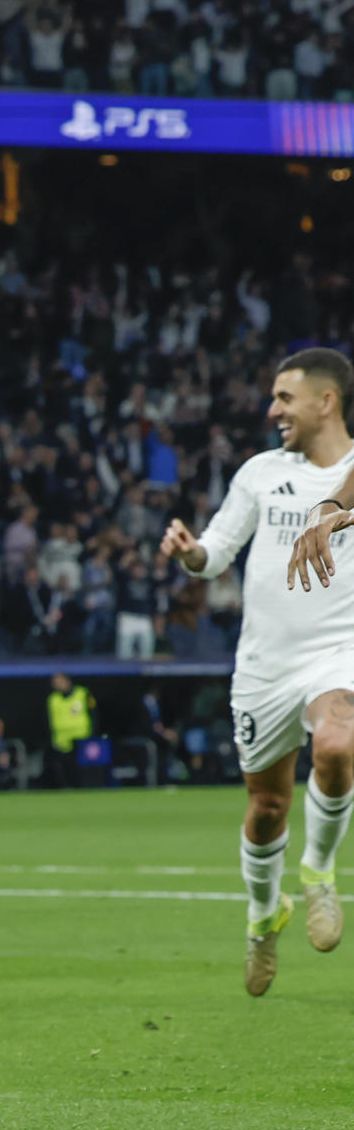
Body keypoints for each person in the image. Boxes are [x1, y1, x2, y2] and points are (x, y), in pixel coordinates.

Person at [167, 347, 354, 994]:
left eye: (284, 397)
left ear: (325, 401)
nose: (272, 409)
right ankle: (262, 913)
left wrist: (335, 510)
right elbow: (218, 554)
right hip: (263, 670)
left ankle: (320, 871)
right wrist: (192, 553)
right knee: (267, 806)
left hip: (338, 654)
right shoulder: (259, 472)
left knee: (338, 741)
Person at [44, 672, 95, 790]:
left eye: (59, 682)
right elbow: (48, 719)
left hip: (81, 738)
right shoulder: (53, 699)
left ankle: (83, 789)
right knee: (63, 767)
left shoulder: (83, 693)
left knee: (82, 768)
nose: (57, 685)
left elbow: (93, 714)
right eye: (55, 683)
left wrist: (92, 735)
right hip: (61, 740)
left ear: (67, 681)